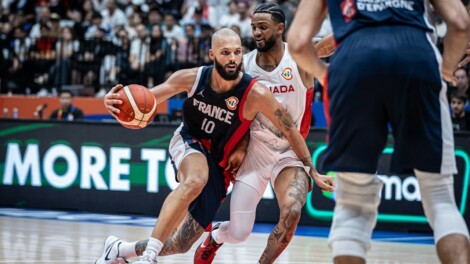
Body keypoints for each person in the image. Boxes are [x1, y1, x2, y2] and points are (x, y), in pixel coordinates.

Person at [96, 28, 334, 264]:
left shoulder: (255, 91)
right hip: (191, 142)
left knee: (181, 243)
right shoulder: (192, 77)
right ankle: (149, 258)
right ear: (212, 55)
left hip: (220, 164)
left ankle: (120, 249)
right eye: (225, 52)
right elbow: (147, 99)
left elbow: (290, 129)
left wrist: (311, 169)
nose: (232, 58)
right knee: (196, 179)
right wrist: (116, 102)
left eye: (237, 52)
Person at [287, 0, 470, 263]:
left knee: (352, 208)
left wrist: (326, 75)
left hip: (353, 63)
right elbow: (461, 23)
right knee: (440, 199)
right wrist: (447, 70)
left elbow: (296, 42)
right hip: (416, 56)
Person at [194, 4, 334, 264]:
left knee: (292, 211)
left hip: (291, 152)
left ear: (280, 28)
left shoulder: (299, 56)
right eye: (254, 27)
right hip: (255, 152)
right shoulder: (244, 65)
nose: (256, 32)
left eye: (263, 27)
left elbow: (329, 44)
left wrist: (359, 19)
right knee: (238, 233)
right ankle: (216, 235)